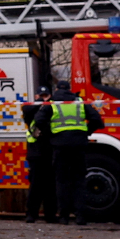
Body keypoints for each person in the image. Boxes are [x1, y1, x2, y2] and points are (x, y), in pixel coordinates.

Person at [46, 79, 105, 225]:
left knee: (62, 181)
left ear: (57, 89)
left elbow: (39, 121)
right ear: (69, 89)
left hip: (60, 147)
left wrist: (51, 135)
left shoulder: (51, 103)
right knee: (79, 180)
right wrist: (85, 132)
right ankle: (80, 216)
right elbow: (98, 121)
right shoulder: (80, 102)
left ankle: (64, 216)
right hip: (78, 145)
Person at [19, 95, 55, 223]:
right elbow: (26, 109)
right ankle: (35, 215)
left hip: (42, 154)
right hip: (38, 154)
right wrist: (42, 103)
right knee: (39, 186)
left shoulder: (45, 110)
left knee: (45, 187)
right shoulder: (33, 111)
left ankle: (43, 215)